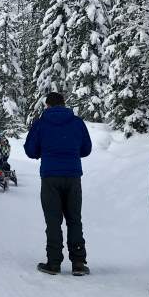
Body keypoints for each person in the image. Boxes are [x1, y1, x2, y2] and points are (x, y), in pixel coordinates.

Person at [24, 92, 92, 276]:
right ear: (64, 104)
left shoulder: (41, 123)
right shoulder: (77, 122)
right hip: (73, 176)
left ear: (47, 105)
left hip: (50, 177)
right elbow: (87, 149)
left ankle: (53, 263)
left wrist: (44, 152)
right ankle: (78, 262)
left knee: (53, 220)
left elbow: (30, 150)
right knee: (74, 219)